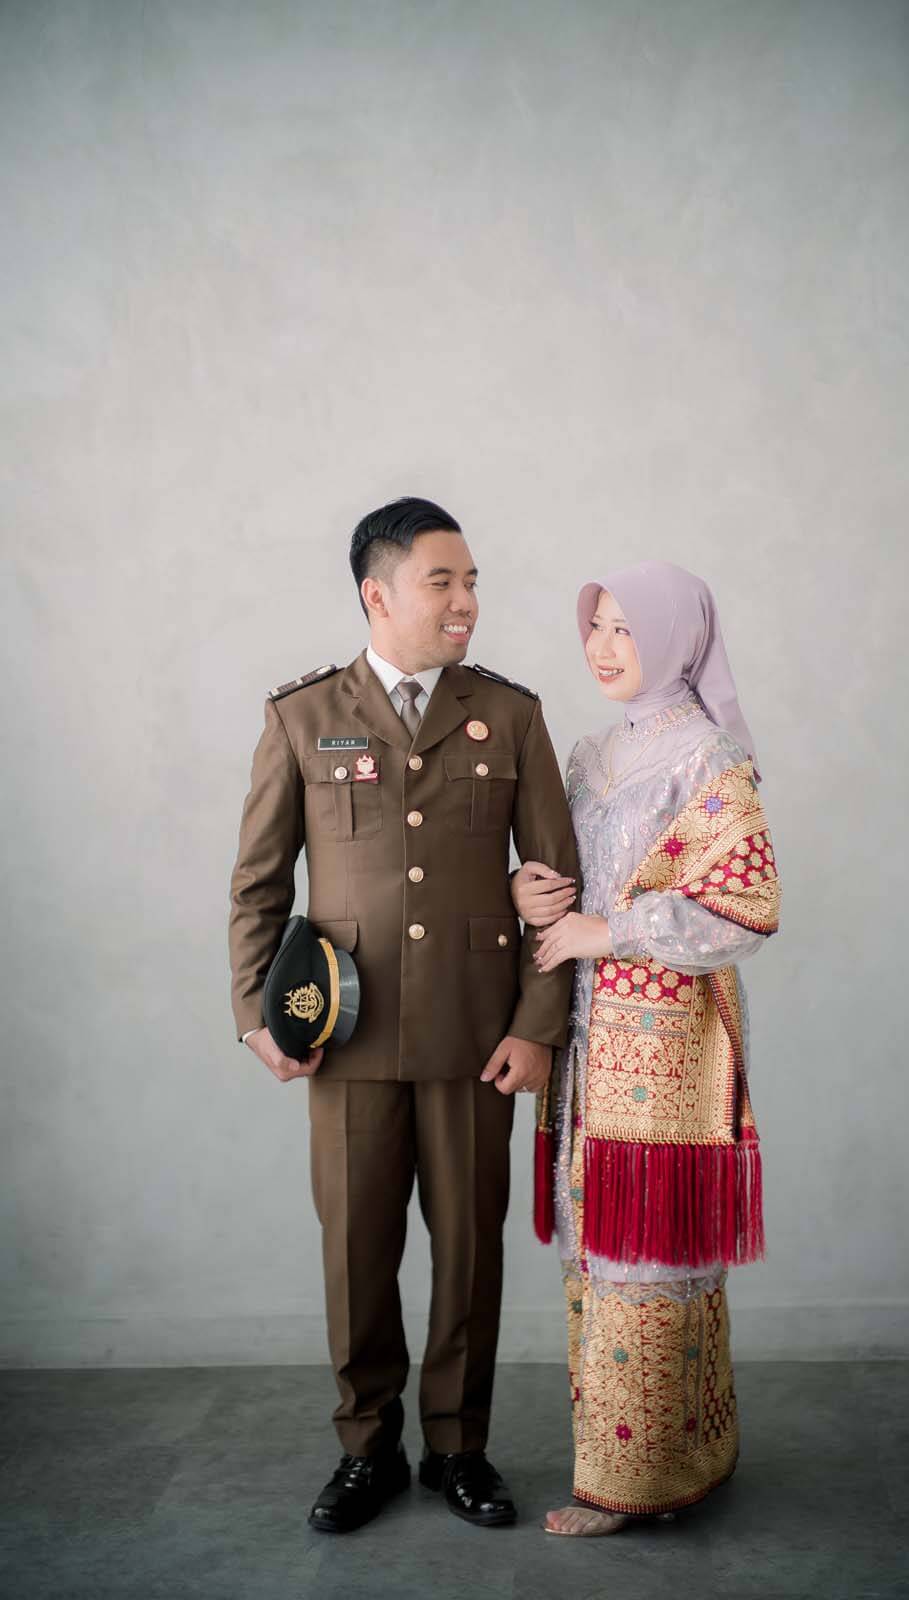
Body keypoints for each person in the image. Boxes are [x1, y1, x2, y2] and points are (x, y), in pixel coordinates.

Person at [228, 497, 579, 1533]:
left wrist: (537, 1024)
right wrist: (255, 1012)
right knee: (356, 1251)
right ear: (376, 594)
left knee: (468, 1251)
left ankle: (458, 1448)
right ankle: (365, 1449)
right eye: (443, 582)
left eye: (471, 582)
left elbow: (556, 884)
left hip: (478, 1036)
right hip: (343, 1034)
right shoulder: (302, 717)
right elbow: (258, 883)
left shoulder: (509, 714)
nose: (465, 600)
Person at [511, 562, 780, 1536]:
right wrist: (526, 892)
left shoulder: (707, 758)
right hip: (586, 1044)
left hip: (665, 1050)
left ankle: (628, 1484)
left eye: (626, 627)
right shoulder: (590, 756)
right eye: (596, 625)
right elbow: (560, 879)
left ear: (674, 638)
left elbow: (745, 905)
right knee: (592, 1252)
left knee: (647, 1261)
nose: (603, 646)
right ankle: (688, 1449)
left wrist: (607, 931)